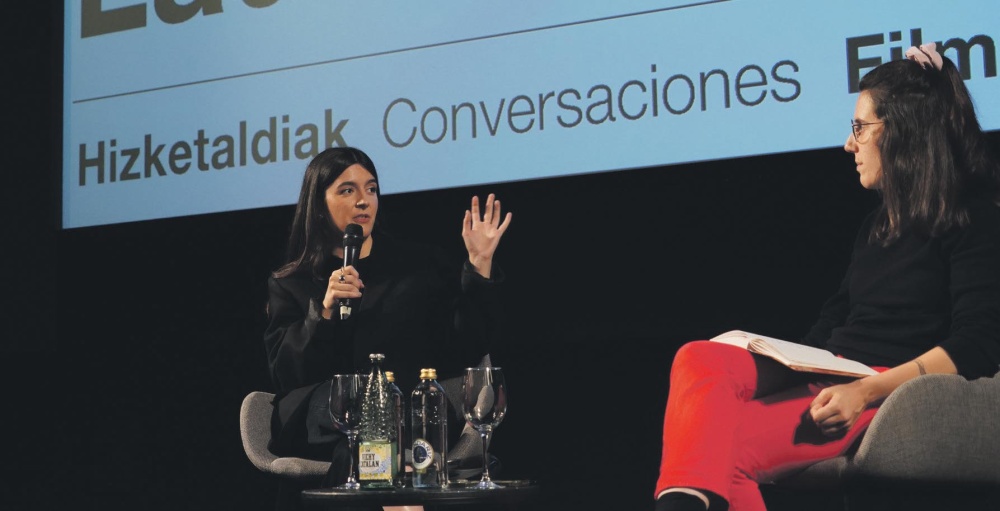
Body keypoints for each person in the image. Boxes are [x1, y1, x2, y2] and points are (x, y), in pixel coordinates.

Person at [652, 43, 1000, 511]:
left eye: (860, 128)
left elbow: (977, 344)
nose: (848, 145)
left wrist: (864, 391)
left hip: (882, 387)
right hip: (833, 370)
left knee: (722, 452)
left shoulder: (974, 219)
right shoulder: (877, 225)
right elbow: (834, 320)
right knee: (699, 357)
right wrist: (784, 364)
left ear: (904, 133)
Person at [263, 146, 512, 510]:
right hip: (329, 417)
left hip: (410, 413)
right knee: (369, 444)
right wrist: (323, 311)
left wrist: (479, 265)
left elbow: (466, 348)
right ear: (318, 204)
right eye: (347, 190)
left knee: (366, 453)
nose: (363, 200)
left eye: (371, 189)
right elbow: (287, 374)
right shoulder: (292, 283)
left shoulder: (418, 266)